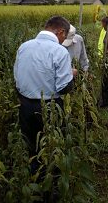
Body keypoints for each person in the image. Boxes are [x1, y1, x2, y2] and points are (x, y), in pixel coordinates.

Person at [14, 16, 77, 172]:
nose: (63, 41)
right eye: (64, 37)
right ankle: (51, 183)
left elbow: (17, 78)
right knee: (52, 144)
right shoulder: (60, 51)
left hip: (24, 105)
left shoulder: (24, 46)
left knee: (31, 146)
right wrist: (71, 75)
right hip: (49, 107)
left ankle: (33, 176)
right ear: (61, 32)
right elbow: (63, 88)